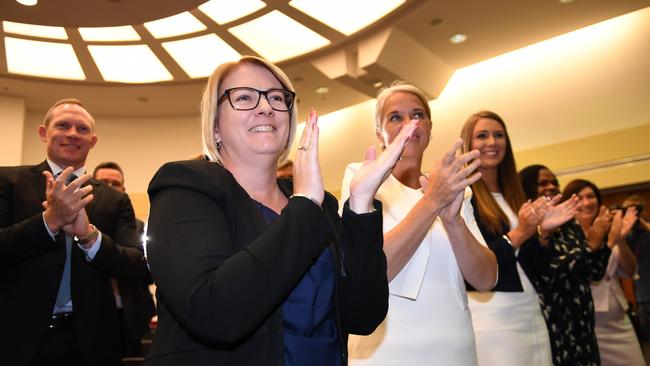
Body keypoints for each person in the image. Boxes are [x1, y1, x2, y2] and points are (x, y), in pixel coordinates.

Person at [144, 56, 416, 366]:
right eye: (244, 97)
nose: (266, 107)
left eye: (276, 97)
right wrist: (304, 204)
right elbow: (215, 313)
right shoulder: (186, 186)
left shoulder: (319, 204)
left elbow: (363, 316)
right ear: (215, 126)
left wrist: (361, 204)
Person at [341, 82, 497, 365]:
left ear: (429, 128)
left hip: (455, 347)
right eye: (395, 117)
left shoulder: (454, 187)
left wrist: (453, 222)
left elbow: (486, 279)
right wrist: (432, 202)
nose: (409, 124)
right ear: (380, 132)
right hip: (386, 350)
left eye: (417, 115)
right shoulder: (362, 178)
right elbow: (369, 270)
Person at [0, 98, 149, 366]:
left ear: (92, 141)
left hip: (92, 343)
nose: (72, 134)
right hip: (16, 338)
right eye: (63, 125)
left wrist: (90, 236)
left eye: (82, 129)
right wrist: (49, 221)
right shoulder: (8, 182)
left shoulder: (114, 199)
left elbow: (138, 266)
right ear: (44, 133)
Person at [459, 111, 581, 366]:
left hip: (531, 309)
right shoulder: (463, 198)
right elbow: (473, 265)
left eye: (499, 135)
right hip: (493, 316)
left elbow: (538, 267)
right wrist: (520, 233)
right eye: (482, 135)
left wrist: (543, 233)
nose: (492, 142)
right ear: (468, 145)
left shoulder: (516, 198)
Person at [519, 165, 612, 366]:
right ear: (527, 188)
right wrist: (590, 246)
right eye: (543, 183)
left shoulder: (570, 223)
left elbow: (595, 273)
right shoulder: (529, 226)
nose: (551, 186)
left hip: (584, 325)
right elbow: (549, 271)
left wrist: (603, 242)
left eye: (554, 182)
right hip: (557, 325)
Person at [563, 179, 644, 366]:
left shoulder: (611, 230)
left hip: (619, 321)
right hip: (587, 325)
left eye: (590, 196)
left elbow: (630, 271)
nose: (586, 203)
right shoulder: (564, 237)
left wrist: (620, 239)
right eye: (579, 198)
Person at [93, 161, 156, 358]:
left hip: (132, 315)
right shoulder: (79, 225)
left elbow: (149, 272)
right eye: (103, 183)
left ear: (124, 189)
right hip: (92, 313)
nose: (110, 188)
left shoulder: (138, 228)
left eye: (115, 184)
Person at [623, 195, 650, 344]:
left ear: (644, 210)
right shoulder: (628, 235)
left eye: (637, 209)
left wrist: (644, 225)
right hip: (642, 297)